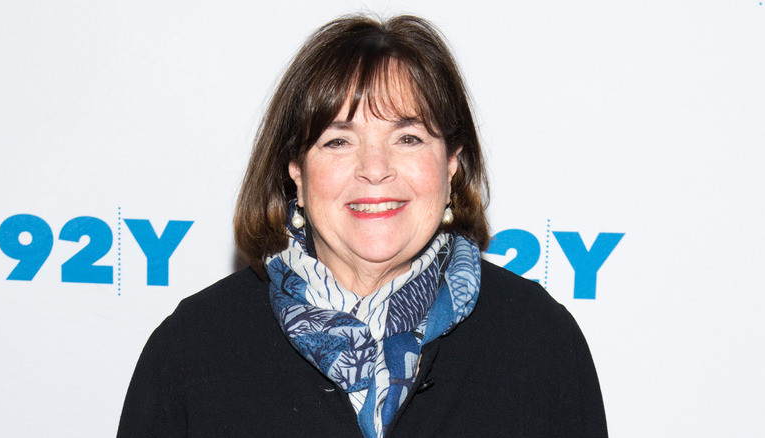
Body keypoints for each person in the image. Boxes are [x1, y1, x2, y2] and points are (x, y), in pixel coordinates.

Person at [117, 14, 607, 438]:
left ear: (452, 163)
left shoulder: (542, 345)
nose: (375, 168)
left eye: (409, 138)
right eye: (338, 141)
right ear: (297, 173)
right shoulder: (194, 352)